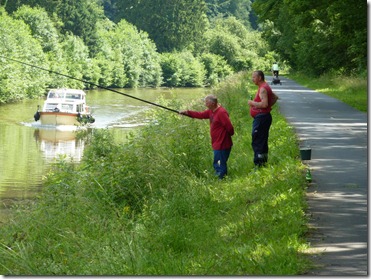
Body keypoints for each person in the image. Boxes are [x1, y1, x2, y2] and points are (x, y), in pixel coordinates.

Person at [179, 95, 234, 179]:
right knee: (218, 161)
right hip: (217, 142)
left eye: (207, 102)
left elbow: (229, 128)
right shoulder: (211, 111)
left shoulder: (221, 112)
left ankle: (221, 179)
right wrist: (187, 113)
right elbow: (200, 115)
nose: (205, 104)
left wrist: (224, 136)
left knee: (220, 162)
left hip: (222, 143)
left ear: (213, 103)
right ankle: (219, 176)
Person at [248, 70, 278, 168]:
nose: (252, 79)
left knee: (257, 139)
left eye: (254, 77)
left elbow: (264, 104)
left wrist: (252, 103)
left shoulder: (263, 89)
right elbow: (274, 97)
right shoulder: (264, 86)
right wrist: (268, 107)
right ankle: (263, 163)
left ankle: (259, 164)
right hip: (263, 117)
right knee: (262, 140)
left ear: (259, 78)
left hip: (261, 118)